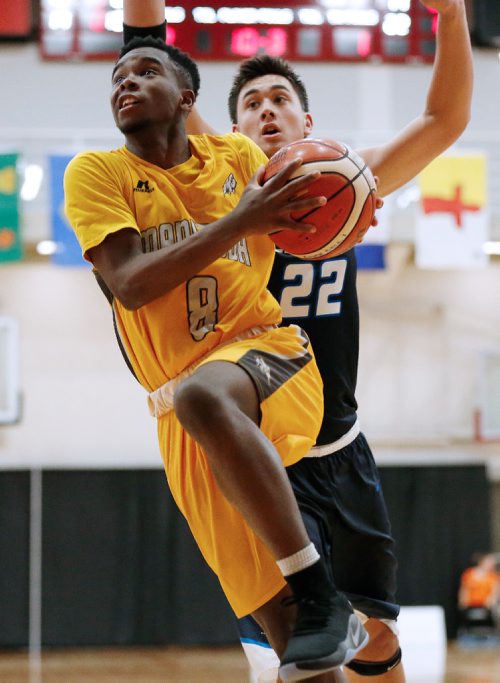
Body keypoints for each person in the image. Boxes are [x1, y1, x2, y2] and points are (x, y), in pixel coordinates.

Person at [121, 1, 473, 681]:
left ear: (307, 122)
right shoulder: (222, 193)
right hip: (262, 464)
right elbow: (146, 44)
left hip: (341, 450)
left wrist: (453, 16)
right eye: (252, 102)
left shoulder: (346, 183)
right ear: (230, 130)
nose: (268, 109)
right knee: (299, 658)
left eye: (281, 97)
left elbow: (444, 122)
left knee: (375, 643)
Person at [64, 34, 373, 682]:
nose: (125, 82)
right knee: (297, 647)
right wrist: (238, 223)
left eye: (146, 71)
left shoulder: (237, 157)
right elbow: (130, 283)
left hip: (267, 351)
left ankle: (323, 590)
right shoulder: (97, 173)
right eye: (117, 76)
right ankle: (314, 611)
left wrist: (351, 202)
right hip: (176, 411)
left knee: (206, 394)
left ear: (186, 98)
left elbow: (322, 194)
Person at [458, 552, 500, 634]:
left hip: (487, 605)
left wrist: (491, 600)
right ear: (481, 562)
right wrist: (463, 602)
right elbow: (464, 589)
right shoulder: (469, 574)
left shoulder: (494, 576)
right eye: (489, 562)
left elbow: (496, 591)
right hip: (471, 605)